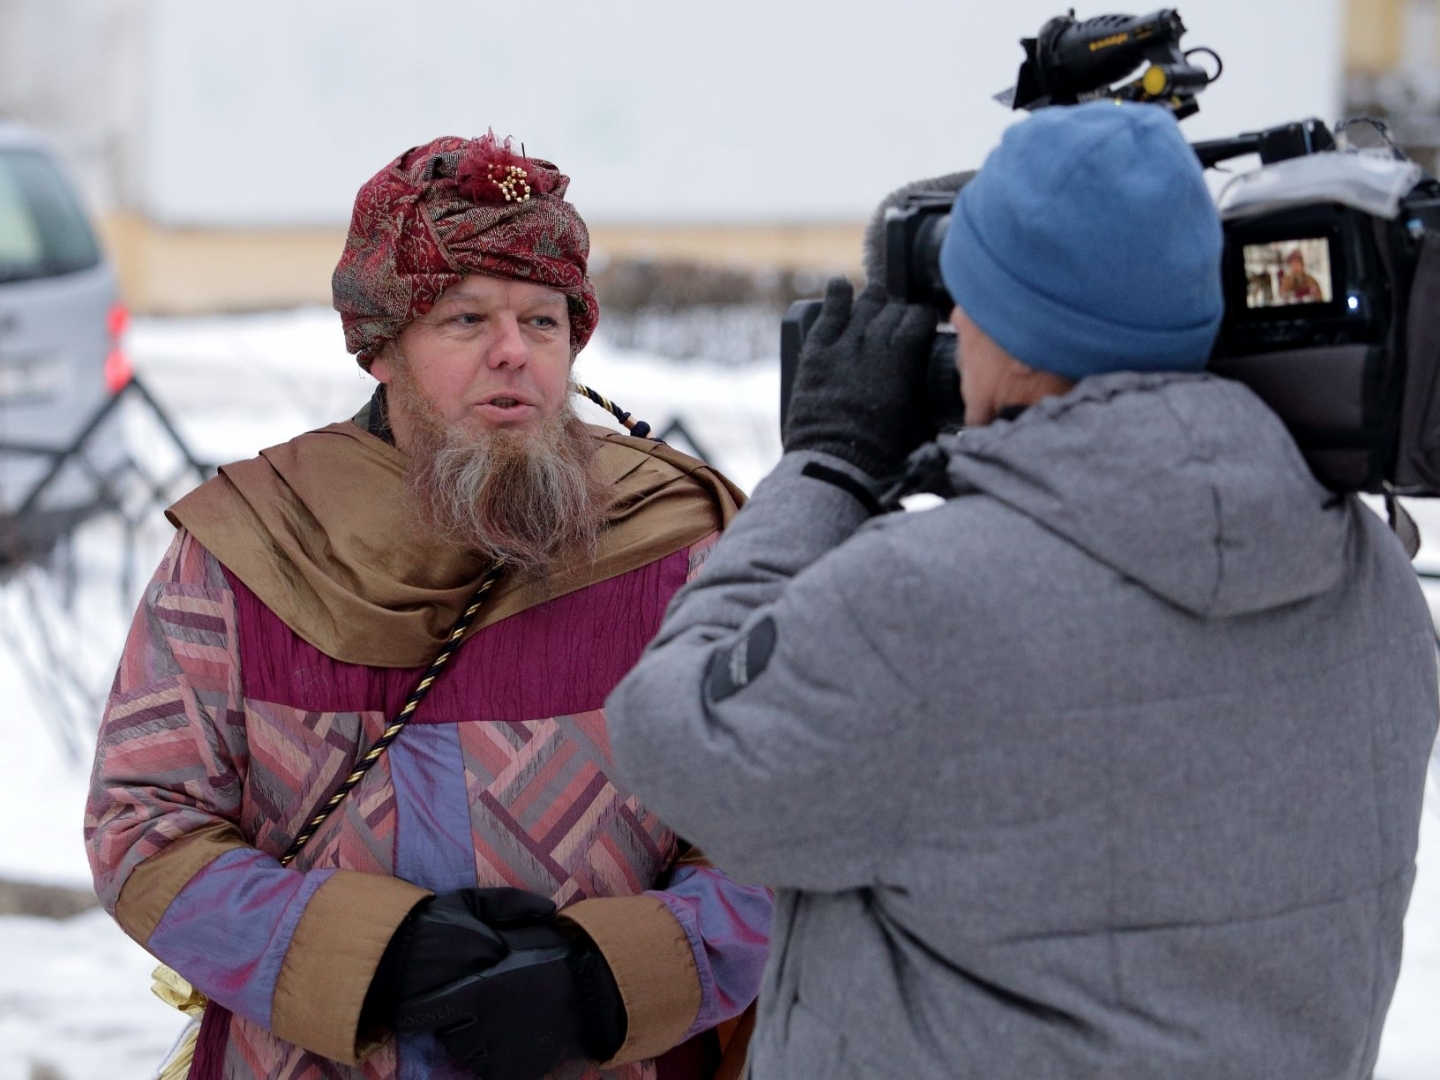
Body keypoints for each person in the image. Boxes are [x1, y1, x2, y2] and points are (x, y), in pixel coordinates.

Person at [604, 103, 1440, 1079]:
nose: (951, 325)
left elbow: (672, 741)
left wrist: (828, 468)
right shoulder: (1370, 577)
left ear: (1021, 333)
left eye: (965, 298)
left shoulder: (929, 603)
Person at [85, 132, 771, 1080]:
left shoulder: (684, 540)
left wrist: (607, 980)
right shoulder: (251, 541)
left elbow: (782, 824)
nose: (513, 354)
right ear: (382, 349)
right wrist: (368, 959)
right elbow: (143, 824)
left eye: (543, 320)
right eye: (464, 319)